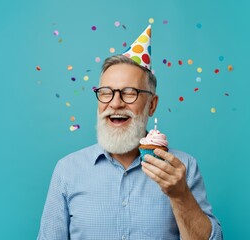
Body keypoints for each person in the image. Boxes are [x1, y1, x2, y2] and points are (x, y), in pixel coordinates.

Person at [37, 25, 222, 240]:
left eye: (129, 93)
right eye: (106, 93)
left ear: (152, 105)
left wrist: (180, 195)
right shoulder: (67, 171)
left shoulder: (183, 168)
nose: (115, 103)